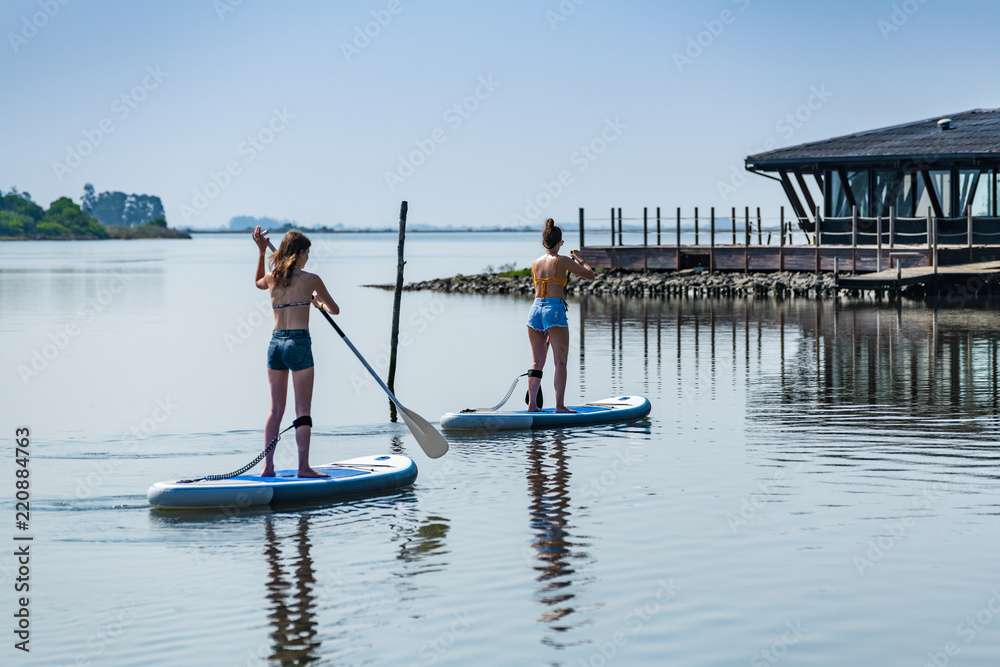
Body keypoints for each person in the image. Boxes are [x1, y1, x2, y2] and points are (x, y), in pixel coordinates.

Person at [251, 226, 339, 477]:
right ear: (300, 253)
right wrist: (315, 301)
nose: (308, 257)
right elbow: (334, 309)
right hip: (299, 343)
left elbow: (257, 283)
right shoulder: (311, 280)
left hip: (275, 344)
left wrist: (260, 252)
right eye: (307, 253)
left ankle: (268, 467)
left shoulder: (271, 278)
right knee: (303, 410)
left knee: (275, 410)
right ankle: (303, 468)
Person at [525, 218, 595, 413]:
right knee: (560, 361)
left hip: (535, 311)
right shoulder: (563, 260)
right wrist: (579, 259)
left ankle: (532, 406)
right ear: (559, 243)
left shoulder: (535, 263)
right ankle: (559, 406)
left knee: (537, 362)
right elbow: (590, 275)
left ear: (543, 242)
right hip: (553, 310)